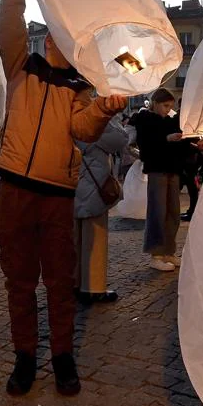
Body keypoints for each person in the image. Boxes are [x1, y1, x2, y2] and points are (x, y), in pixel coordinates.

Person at [0, 0, 127, 397]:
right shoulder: (20, 65)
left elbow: (84, 130)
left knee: (59, 282)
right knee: (18, 281)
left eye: (64, 35)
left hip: (57, 194)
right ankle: (25, 357)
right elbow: (8, 18)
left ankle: (63, 357)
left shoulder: (80, 87)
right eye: (53, 31)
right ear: (46, 36)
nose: (56, 39)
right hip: (14, 188)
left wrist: (105, 108)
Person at [74, 115, 128, 304]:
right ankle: (93, 287)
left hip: (73, 178)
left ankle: (75, 282)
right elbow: (120, 139)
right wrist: (108, 115)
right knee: (95, 236)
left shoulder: (66, 112)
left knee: (76, 236)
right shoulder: (94, 116)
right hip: (94, 182)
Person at [134, 88, 185, 272]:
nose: (167, 109)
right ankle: (156, 254)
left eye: (170, 106)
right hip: (157, 170)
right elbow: (146, 146)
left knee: (173, 212)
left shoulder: (170, 121)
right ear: (155, 103)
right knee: (157, 212)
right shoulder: (144, 120)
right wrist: (166, 139)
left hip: (172, 170)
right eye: (165, 106)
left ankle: (168, 251)